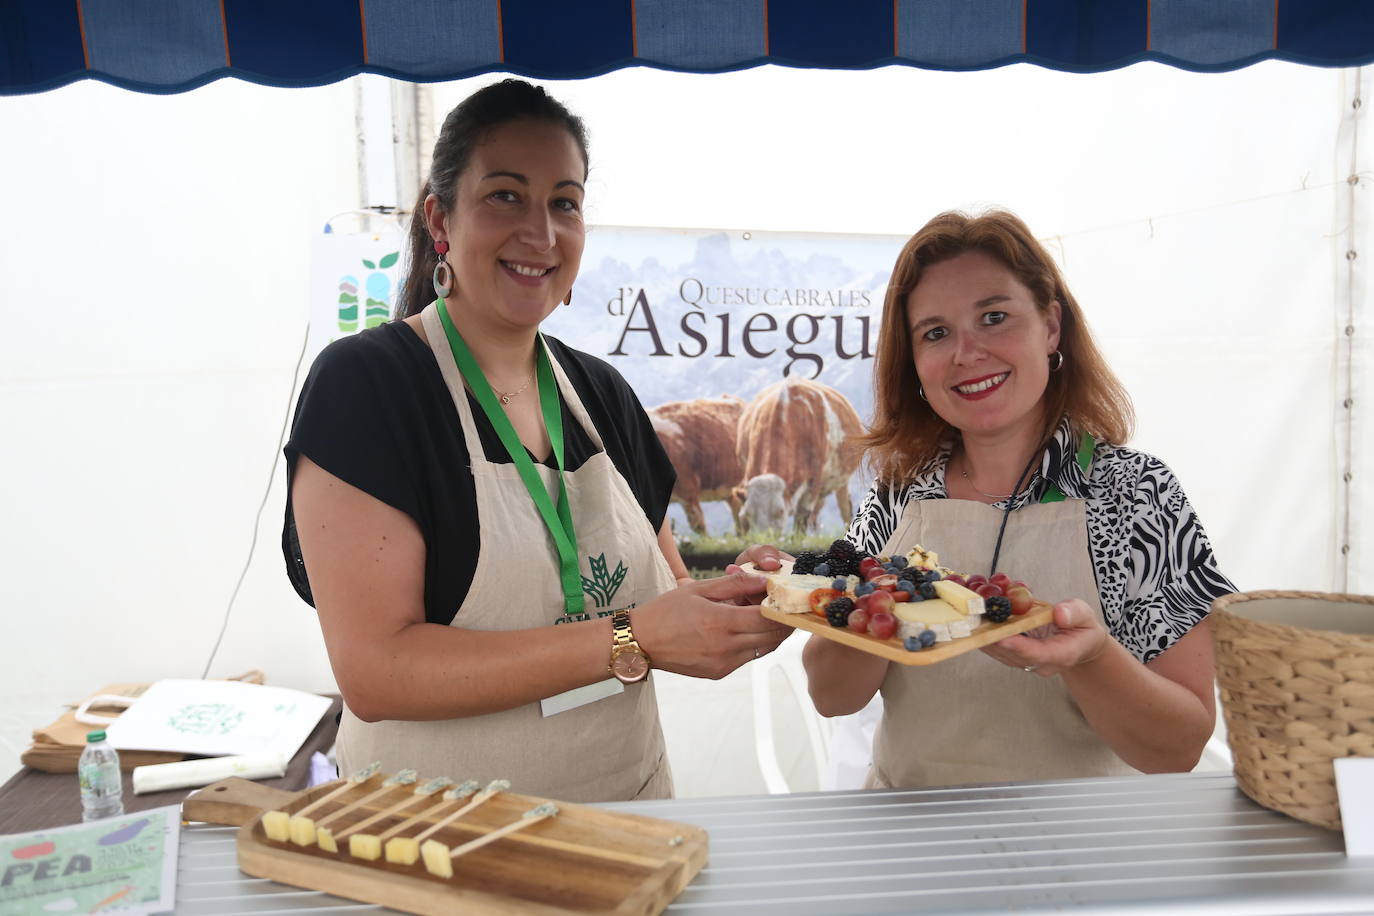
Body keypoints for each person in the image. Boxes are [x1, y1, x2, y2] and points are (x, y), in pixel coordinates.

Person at [282, 80, 789, 803]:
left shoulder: (603, 395)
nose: (542, 234)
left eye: (565, 203)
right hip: (439, 836)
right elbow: (376, 672)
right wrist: (631, 637)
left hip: (626, 819)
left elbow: (663, 594)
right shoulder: (371, 387)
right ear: (440, 220)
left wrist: (731, 600)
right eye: (506, 196)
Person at [744, 209, 1233, 789]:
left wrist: (1092, 660)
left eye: (994, 317)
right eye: (935, 332)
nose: (966, 353)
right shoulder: (900, 493)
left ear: (1051, 326)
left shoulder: (1136, 495)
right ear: (914, 364)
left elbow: (1178, 748)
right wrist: (863, 597)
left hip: (1083, 855)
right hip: (911, 842)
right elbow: (832, 697)